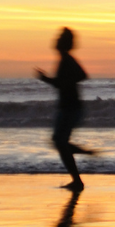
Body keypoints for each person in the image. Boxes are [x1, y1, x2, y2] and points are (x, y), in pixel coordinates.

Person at [36, 27, 94, 189]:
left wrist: (47, 79)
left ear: (64, 43)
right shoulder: (64, 60)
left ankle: (77, 180)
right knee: (59, 142)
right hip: (67, 107)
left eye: (59, 37)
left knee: (60, 142)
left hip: (70, 107)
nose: (56, 40)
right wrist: (50, 80)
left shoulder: (67, 60)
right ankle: (83, 159)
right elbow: (64, 82)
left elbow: (81, 76)